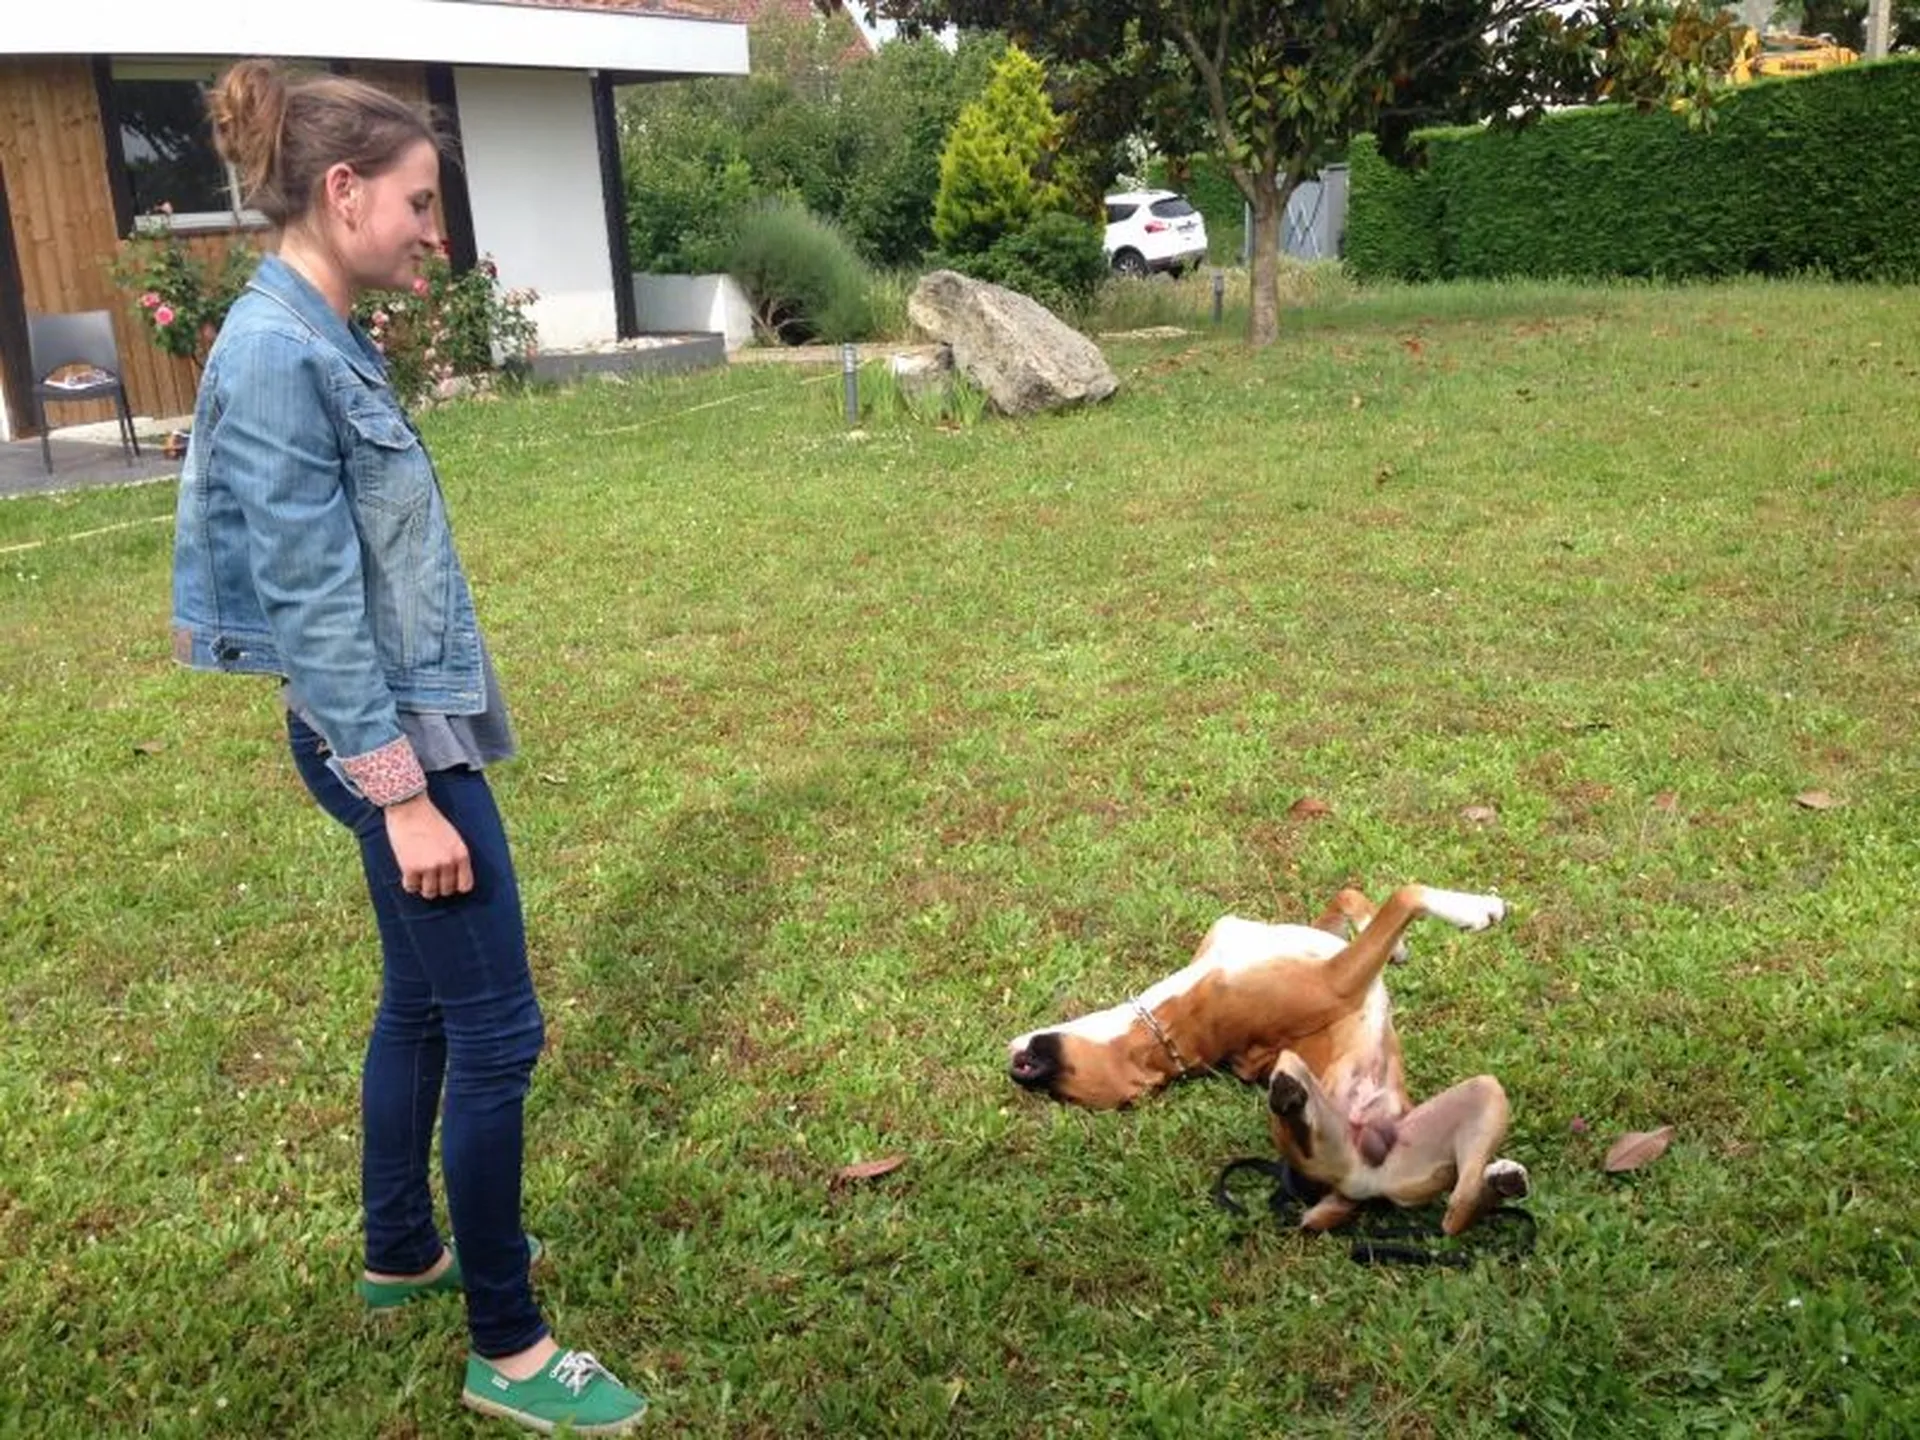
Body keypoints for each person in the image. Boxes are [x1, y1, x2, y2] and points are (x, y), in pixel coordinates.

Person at [170, 59, 646, 1436]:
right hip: (385, 742)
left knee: (426, 1004)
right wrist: (402, 798)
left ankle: (403, 1250)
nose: (435, 230)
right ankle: (507, 1342)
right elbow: (312, 599)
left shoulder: (315, 331)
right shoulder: (275, 353)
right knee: (501, 1032)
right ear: (342, 191)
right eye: (419, 201)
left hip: (397, 720)